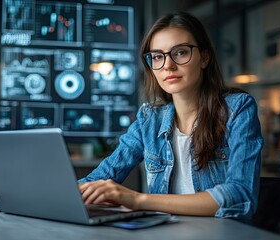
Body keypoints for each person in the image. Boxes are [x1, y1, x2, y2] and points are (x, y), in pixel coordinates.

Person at [78, 12, 263, 223]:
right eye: (157, 56)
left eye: (181, 52)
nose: (168, 65)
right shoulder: (150, 118)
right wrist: (61, 193)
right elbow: (101, 177)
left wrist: (138, 199)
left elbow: (239, 196)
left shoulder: (237, 109)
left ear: (204, 57)